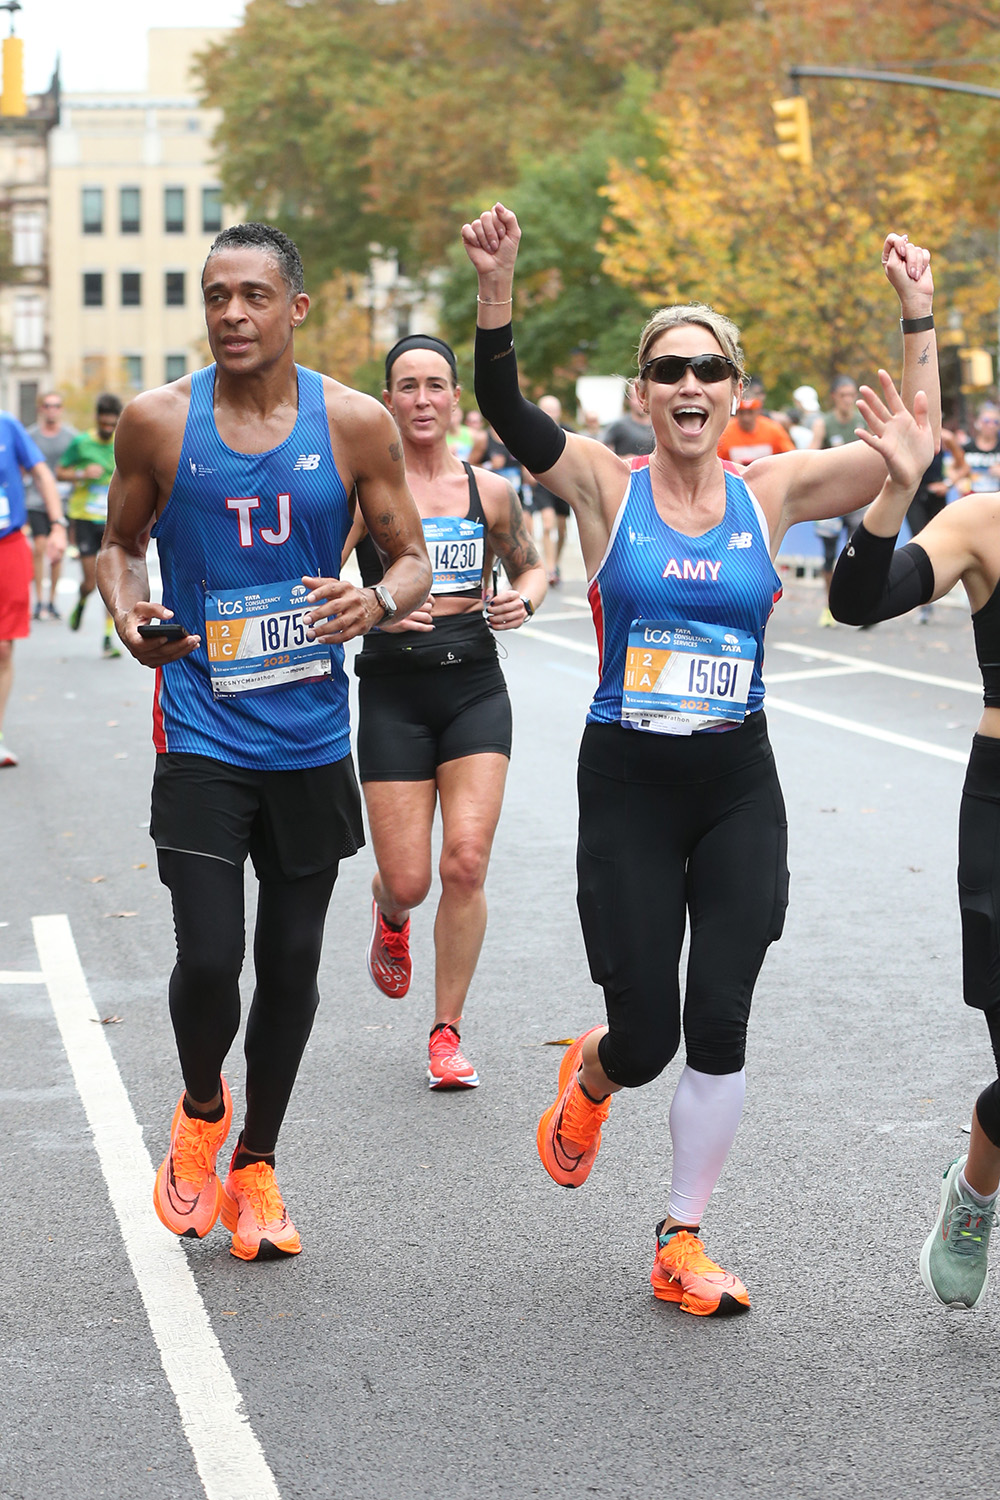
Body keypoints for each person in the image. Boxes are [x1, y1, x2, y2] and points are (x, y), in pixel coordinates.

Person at [463, 202, 938, 1316]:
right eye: (668, 368)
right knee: (648, 1032)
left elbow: (906, 440)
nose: (688, 385)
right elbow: (502, 409)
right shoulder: (600, 483)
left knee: (719, 1020)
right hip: (626, 783)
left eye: (709, 369)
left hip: (736, 784)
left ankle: (681, 1236)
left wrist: (918, 310)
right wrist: (497, 290)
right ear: (642, 394)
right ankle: (593, 1074)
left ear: (735, 392)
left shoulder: (769, 491)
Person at [97, 222, 430, 1261]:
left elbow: (412, 558)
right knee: (210, 960)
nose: (231, 314)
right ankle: (203, 1108)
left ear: (294, 308)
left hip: (309, 737)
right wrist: (129, 613)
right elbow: (119, 546)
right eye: (215, 297)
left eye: (252, 296)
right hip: (200, 724)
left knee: (288, 967)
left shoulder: (355, 424)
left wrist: (373, 600)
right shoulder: (157, 423)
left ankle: (257, 1166)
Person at [827, 376, 1000, 1311]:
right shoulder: (981, 522)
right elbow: (860, 602)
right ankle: (975, 1193)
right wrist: (895, 492)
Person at [344, 334, 546, 1088]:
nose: (423, 399)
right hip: (394, 691)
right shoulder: (365, 494)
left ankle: (446, 1033)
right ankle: (389, 914)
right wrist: (375, 608)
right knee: (410, 880)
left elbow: (529, 560)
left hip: (474, 690)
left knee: (464, 860)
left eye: (436, 385)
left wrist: (525, 595)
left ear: (456, 397)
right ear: (387, 399)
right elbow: (315, 578)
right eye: (408, 386)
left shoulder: (489, 491)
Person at [0, 414, 66, 766]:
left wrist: (57, 524)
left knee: (3, 649)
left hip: (6, 543)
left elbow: (41, 473)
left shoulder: (7, 427)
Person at [58, 393, 124, 657]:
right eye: (104, 424)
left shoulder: (123, 442)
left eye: (113, 424)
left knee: (108, 581)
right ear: (97, 419)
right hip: (84, 517)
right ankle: (82, 599)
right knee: (90, 581)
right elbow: (59, 471)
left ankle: (108, 639)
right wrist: (81, 474)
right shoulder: (81, 442)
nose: (108, 429)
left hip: (111, 519)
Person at [811, 375, 866, 626]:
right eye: (843, 395)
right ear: (834, 397)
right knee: (829, 555)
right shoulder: (824, 423)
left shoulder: (862, 421)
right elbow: (810, 454)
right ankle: (829, 605)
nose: (848, 400)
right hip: (830, 501)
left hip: (858, 498)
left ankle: (858, 604)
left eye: (851, 394)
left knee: (859, 554)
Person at [26, 392, 76, 619]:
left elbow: (78, 465)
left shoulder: (71, 437)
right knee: (39, 547)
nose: (51, 410)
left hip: (63, 500)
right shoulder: (30, 436)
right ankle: (39, 601)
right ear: (41, 409)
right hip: (36, 499)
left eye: (56, 405)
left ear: (61, 409)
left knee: (57, 552)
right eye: (47, 405)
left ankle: (53, 600)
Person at [533, 394, 572, 585]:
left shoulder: (569, 432)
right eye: (545, 410)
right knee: (548, 525)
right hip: (542, 485)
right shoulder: (532, 431)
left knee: (562, 529)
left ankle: (555, 562)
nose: (549, 414)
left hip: (564, 484)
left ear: (558, 412)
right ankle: (549, 569)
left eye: (553, 410)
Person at [716, 381, 795, 465]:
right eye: (742, 412)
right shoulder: (724, 433)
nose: (746, 418)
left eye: (750, 412)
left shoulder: (773, 430)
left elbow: (791, 457)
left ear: (758, 411)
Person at [950, 403, 1000, 495]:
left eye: (996, 422)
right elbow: (951, 469)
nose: (991, 425)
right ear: (978, 423)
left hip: (996, 499)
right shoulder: (967, 447)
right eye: (987, 421)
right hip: (971, 497)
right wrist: (958, 482)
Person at [602, 382, 655, 458]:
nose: (641, 402)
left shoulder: (659, 426)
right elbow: (602, 453)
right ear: (628, 400)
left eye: (644, 396)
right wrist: (624, 459)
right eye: (636, 397)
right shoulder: (619, 425)